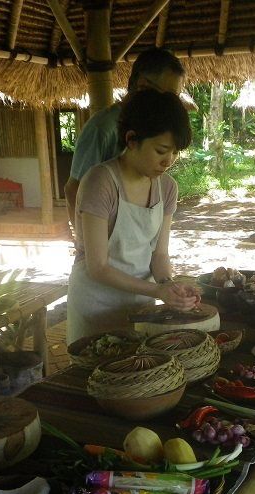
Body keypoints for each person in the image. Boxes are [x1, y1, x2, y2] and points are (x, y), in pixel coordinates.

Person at [66, 89, 199, 343]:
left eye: (174, 152)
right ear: (131, 140)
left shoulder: (167, 188)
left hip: (142, 304)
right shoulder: (100, 182)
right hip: (96, 303)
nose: (168, 160)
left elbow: (159, 254)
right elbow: (99, 267)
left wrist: (170, 286)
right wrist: (158, 290)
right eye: (161, 151)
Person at [64, 47, 186, 227]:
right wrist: (88, 243)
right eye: (170, 96)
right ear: (143, 85)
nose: (173, 104)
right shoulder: (103, 128)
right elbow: (74, 189)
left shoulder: (153, 129)